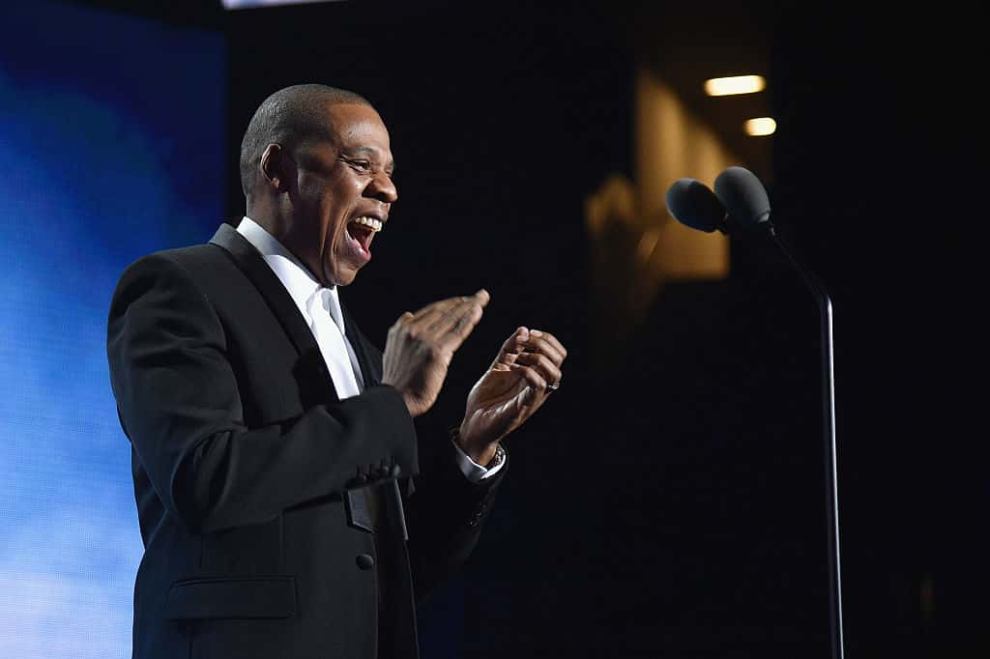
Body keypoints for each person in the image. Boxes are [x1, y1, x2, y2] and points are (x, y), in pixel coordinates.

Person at [106, 84, 567, 659]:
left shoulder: (360, 350)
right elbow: (204, 480)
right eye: (361, 164)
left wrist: (473, 443)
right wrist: (392, 404)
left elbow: (397, 568)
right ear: (279, 169)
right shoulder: (179, 288)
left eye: (391, 172)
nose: (390, 189)